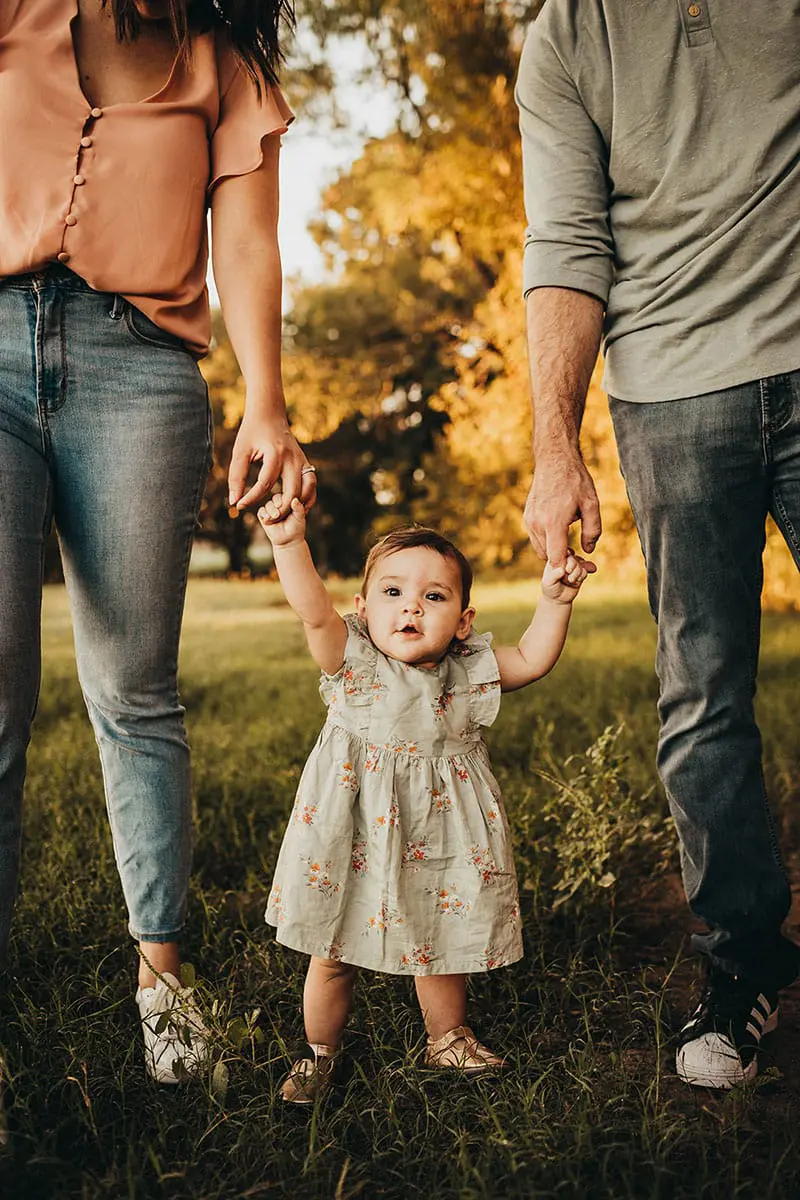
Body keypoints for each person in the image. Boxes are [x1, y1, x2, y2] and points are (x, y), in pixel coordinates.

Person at [0, 0, 315, 1083]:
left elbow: (249, 238)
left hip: (140, 372)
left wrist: (264, 403)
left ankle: (165, 983)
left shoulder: (220, 64)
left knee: (135, 687)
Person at [515, 1, 800, 1089]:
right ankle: (742, 963)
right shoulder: (563, 37)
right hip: (670, 391)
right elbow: (567, 244)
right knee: (699, 692)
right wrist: (555, 446)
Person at [257, 504, 593, 1103]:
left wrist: (557, 601)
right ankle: (319, 1053)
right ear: (363, 610)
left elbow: (532, 658)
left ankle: (447, 1036)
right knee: (332, 949)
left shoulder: (466, 672)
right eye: (392, 591)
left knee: (440, 940)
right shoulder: (354, 660)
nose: (411, 606)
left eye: (433, 597)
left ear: (463, 622)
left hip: (441, 838)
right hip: (352, 833)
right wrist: (290, 541)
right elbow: (311, 608)